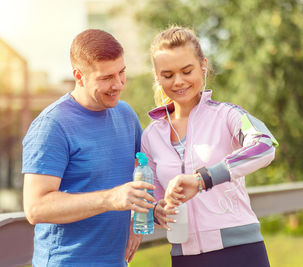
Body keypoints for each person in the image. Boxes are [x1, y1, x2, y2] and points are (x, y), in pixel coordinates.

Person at [142, 26, 279, 267]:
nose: (179, 81)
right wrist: (156, 210)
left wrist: (202, 179)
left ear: (203, 65)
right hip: (184, 256)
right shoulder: (151, 135)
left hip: (241, 251)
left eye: (187, 71)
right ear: (157, 76)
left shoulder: (227, 115)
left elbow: (265, 145)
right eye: (168, 75)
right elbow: (150, 194)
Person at [22, 29, 155, 267]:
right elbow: (35, 208)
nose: (118, 84)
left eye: (121, 72)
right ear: (79, 76)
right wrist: (111, 198)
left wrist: (138, 218)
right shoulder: (52, 126)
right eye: (106, 78)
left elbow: (142, 171)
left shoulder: (125, 114)